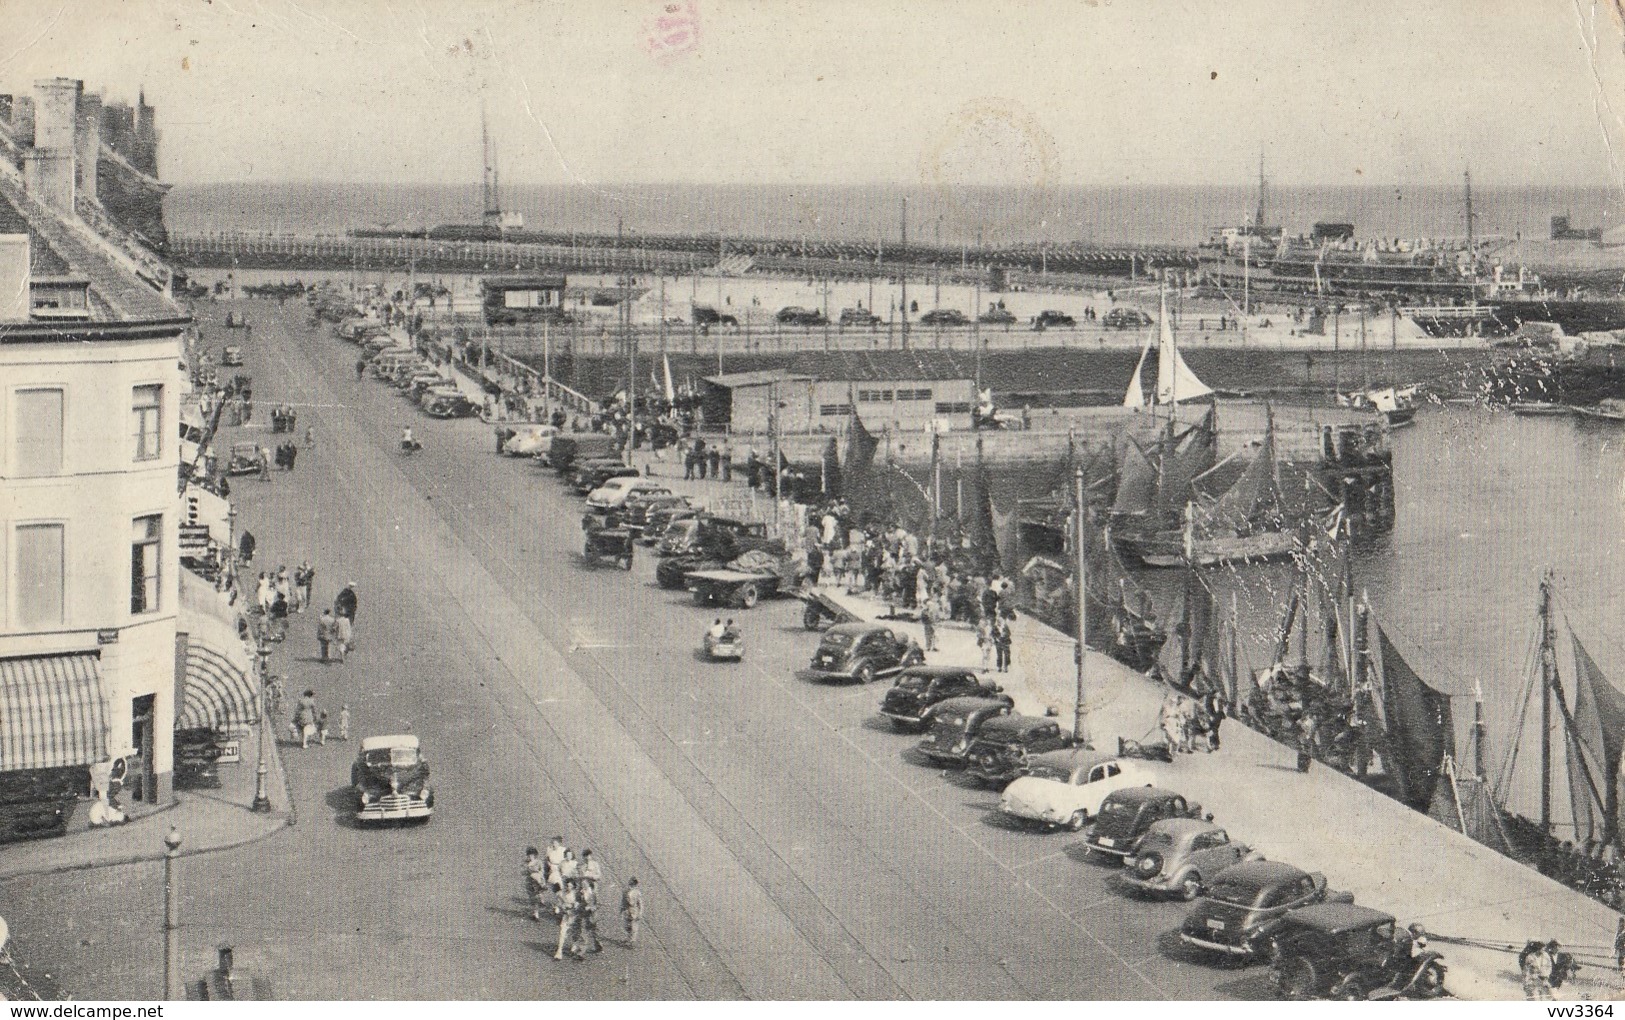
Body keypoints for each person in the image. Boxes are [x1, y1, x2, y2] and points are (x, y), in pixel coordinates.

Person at [621, 877, 644, 945]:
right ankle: (628, 938)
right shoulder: (625, 891)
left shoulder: (637, 893)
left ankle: (631, 941)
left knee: (633, 926)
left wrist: (640, 913)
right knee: (626, 925)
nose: (631, 886)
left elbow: (640, 904)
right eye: (630, 884)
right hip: (627, 910)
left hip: (634, 910)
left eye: (633, 884)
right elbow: (623, 901)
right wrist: (621, 909)